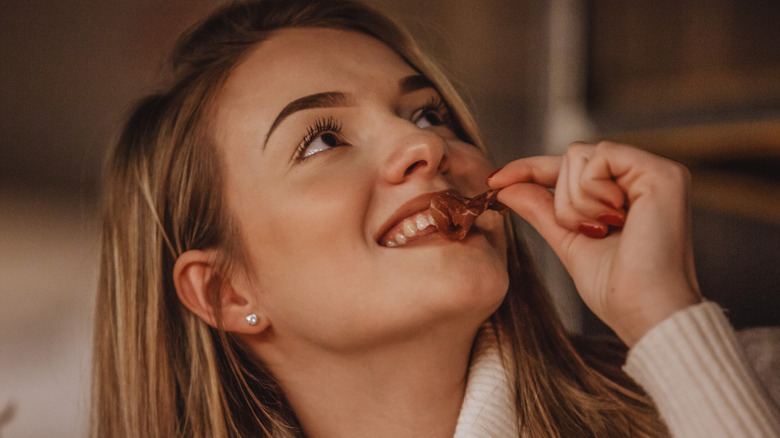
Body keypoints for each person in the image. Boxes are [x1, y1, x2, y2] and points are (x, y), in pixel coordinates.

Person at [90, 0, 780, 436]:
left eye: (427, 113)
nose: (423, 145)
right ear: (227, 292)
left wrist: (663, 313)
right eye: (323, 140)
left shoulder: (747, 387)